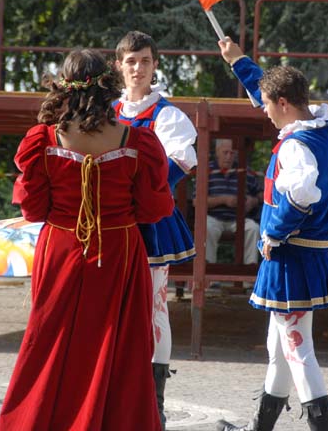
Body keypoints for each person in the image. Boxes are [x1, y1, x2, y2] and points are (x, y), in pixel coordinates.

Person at [0, 48, 173, 430]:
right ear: (108, 85)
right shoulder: (137, 140)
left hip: (60, 247)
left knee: (51, 342)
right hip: (119, 251)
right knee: (120, 345)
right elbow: (152, 209)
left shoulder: (42, 139)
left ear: (63, 85)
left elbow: (32, 209)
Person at [215, 38, 328, 431]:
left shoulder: (296, 145)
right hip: (313, 252)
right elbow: (267, 90)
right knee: (280, 348)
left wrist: (273, 232)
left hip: (292, 256)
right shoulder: (322, 126)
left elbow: (303, 193)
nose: (265, 113)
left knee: (297, 349)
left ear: (285, 104)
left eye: (269, 106)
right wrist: (238, 61)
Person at [112, 30, 197, 430]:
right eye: (131, 61)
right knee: (111, 309)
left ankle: (155, 405)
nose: (138, 68)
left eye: (145, 61)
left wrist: (135, 190)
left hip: (150, 224)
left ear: (154, 65)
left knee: (155, 309)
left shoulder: (168, 115)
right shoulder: (106, 112)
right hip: (110, 224)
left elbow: (179, 163)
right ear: (119, 66)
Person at [203, 138, 261, 264]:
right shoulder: (207, 171)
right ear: (217, 152)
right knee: (206, 227)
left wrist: (253, 201)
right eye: (225, 152)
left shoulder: (245, 170)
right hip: (214, 218)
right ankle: (209, 275)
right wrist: (223, 200)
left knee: (253, 228)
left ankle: (248, 276)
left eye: (232, 153)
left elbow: (261, 195)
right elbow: (197, 202)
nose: (229, 156)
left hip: (239, 219)